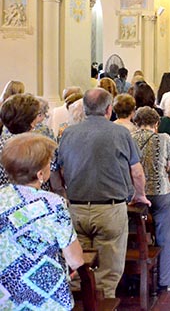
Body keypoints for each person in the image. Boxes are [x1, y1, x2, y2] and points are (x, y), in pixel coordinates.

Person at [56, 88, 149, 299]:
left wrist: (63, 192)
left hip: (76, 208)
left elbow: (59, 169)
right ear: (109, 109)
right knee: (108, 272)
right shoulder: (121, 133)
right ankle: (103, 303)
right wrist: (140, 194)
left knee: (80, 270)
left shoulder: (69, 133)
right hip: (109, 209)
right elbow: (136, 171)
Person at [0, 133, 85, 310]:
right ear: (40, 174)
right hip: (47, 298)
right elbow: (75, 259)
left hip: (5, 298)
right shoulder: (52, 204)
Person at [131, 107, 170, 291]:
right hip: (161, 191)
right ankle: (165, 280)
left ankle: (133, 279)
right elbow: (169, 165)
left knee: (134, 233)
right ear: (156, 123)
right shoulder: (164, 138)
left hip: (135, 194)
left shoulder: (130, 138)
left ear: (136, 122)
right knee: (164, 235)